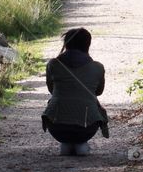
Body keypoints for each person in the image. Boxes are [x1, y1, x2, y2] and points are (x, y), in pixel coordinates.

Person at [42, 28, 109, 156]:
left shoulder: (53, 64)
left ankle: (67, 144)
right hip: (86, 128)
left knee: (54, 101)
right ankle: (80, 143)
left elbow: (52, 90)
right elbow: (98, 92)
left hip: (56, 128)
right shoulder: (98, 67)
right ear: (87, 45)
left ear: (66, 44)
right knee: (94, 103)